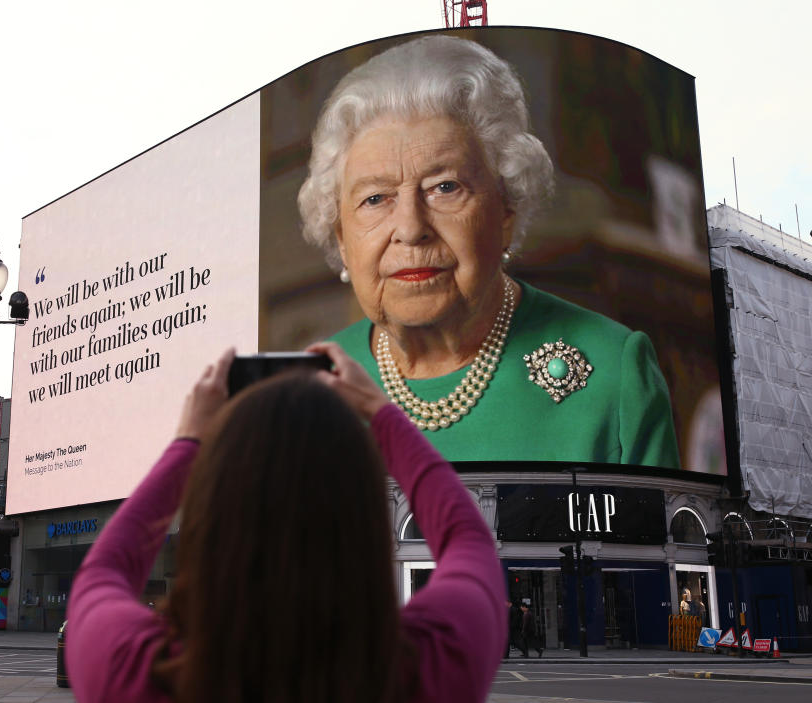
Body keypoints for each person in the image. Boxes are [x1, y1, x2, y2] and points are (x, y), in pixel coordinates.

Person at [297, 34, 680, 466]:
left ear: (507, 209)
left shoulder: (615, 372)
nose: (410, 229)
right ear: (342, 240)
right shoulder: (305, 393)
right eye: (375, 199)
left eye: (445, 188)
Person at [65, 343, 506, 703]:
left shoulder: (130, 673)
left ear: (207, 520)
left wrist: (189, 442)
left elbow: (103, 572)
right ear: (366, 524)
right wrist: (382, 413)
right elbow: (469, 541)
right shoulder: (434, 665)